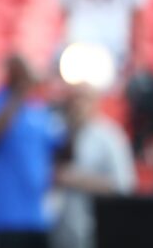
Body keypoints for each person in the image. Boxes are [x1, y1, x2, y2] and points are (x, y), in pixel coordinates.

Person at [0, 54, 65, 248]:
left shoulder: (40, 111)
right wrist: (18, 92)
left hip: (39, 218)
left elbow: (63, 150)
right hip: (2, 218)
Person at [51, 83, 137, 248]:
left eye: (84, 99)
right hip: (60, 231)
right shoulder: (59, 131)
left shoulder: (109, 136)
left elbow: (124, 184)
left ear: (97, 101)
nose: (78, 104)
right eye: (74, 99)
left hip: (96, 230)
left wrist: (75, 180)